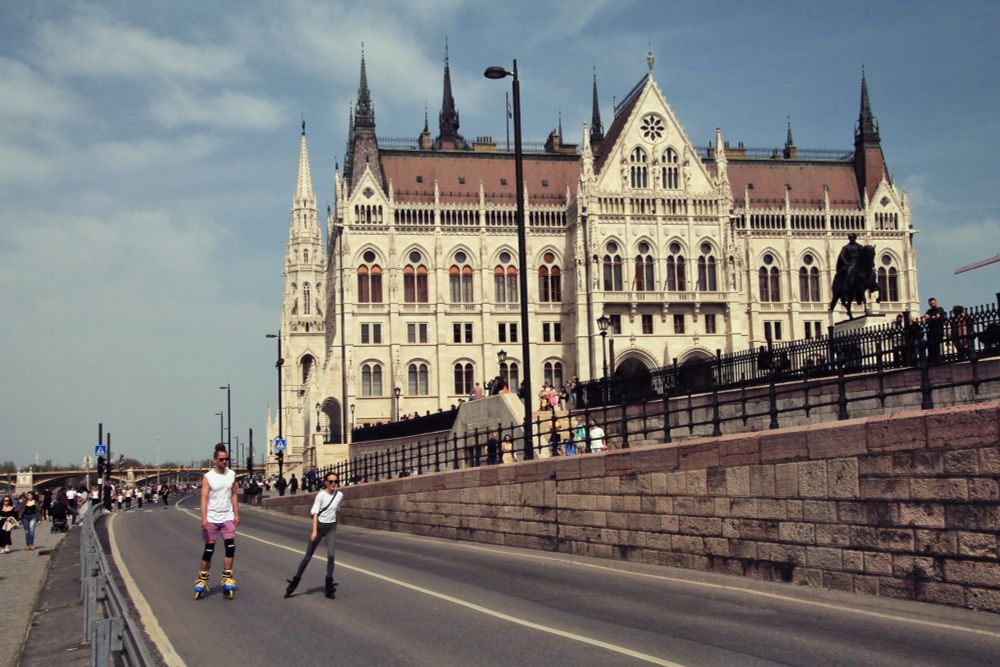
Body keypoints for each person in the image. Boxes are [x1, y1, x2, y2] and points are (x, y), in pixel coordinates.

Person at [285, 472, 345, 599]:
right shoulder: (321, 496)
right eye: (331, 481)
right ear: (326, 482)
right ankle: (295, 581)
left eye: (335, 481)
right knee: (308, 556)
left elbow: (337, 511)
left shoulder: (339, 495)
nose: (333, 484)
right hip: (319, 527)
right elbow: (315, 513)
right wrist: (314, 531)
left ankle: (329, 585)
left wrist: (336, 527)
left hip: (331, 528)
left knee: (331, 555)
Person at [194, 444, 240, 599]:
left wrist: (236, 514)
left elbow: (234, 494)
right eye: (221, 459)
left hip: (227, 516)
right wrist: (204, 518)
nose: (224, 462)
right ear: (215, 460)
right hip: (212, 517)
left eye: (226, 459)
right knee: (209, 550)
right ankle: (202, 579)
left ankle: (227, 577)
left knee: (230, 547)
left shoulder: (231, 474)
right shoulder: (208, 477)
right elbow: (204, 498)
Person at [924, 297, 946, 363]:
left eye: (933, 303)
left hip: (938, 330)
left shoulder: (940, 309)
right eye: (931, 304)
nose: (932, 305)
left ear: (936, 302)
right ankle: (932, 360)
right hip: (931, 332)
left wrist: (930, 318)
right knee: (931, 347)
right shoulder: (929, 311)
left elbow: (938, 317)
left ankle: (938, 360)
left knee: (937, 346)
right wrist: (932, 318)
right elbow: (925, 319)